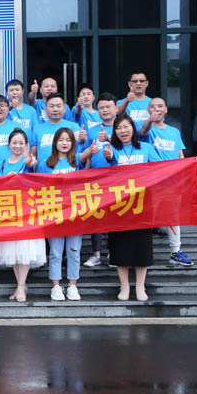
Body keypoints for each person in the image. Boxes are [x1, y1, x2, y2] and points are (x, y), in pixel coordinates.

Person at [103, 115, 159, 301]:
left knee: (142, 246)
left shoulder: (146, 148)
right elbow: (103, 173)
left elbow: (162, 168)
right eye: (119, 128)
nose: (123, 131)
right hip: (119, 205)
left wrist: (189, 162)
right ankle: (125, 286)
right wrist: (107, 157)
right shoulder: (112, 149)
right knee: (120, 246)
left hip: (142, 205)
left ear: (133, 129)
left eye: (126, 127)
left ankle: (140, 286)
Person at [140, 96, 194, 266]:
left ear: (166, 110)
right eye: (152, 106)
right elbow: (142, 131)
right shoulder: (146, 128)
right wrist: (150, 120)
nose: (156, 109)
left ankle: (176, 252)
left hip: (171, 181)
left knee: (172, 216)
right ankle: (140, 254)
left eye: (160, 106)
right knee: (147, 215)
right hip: (151, 181)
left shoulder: (174, 131)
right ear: (148, 110)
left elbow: (179, 155)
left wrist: (185, 170)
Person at [0, 129, 43, 302]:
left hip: (26, 211)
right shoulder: (0, 164)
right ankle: (21, 284)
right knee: (12, 251)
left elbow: (33, 170)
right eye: (14, 143)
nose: (18, 146)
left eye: (21, 143)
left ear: (27, 145)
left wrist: (30, 163)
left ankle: (21, 286)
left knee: (25, 248)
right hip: (7, 211)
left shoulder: (29, 162)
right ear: (9, 145)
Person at [38, 127, 84, 301]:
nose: (64, 143)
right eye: (61, 140)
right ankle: (56, 286)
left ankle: (72, 285)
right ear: (55, 142)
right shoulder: (45, 163)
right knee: (56, 252)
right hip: (54, 213)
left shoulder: (77, 160)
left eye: (68, 140)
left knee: (74, 251)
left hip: (75, 213)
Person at [82, 93, 118, 268]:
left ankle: (113, 253)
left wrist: (110, 139)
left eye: (108, 107)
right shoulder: (92, 130)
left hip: (117, 179)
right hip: (95, 179)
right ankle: (96, 254)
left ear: (116, 108)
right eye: (101, 107)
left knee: (114, 216)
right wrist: (90, 152)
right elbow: (85, 153)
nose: (105, 110)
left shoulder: (123, 127)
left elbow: (130, 145)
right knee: (95, 215)